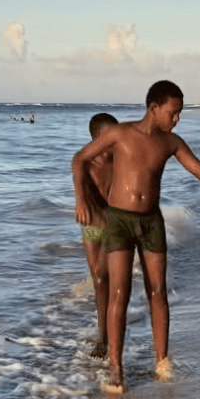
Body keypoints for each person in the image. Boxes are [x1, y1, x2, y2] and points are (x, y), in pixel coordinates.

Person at [72, 80, 200, 392]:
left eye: (179, 114)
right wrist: (81, 199)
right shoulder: (120, 134)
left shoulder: (172, 143)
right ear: (154, 108)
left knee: (158, 291)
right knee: (119, 292)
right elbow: (79, 159)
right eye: (173, 113)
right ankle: (116, 373)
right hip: (118, 221)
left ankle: (163, 363)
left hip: (151, 222)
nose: (177, 119)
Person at [77, 112, 119, 359]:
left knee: (112, 280)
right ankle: (103, 336)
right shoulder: (85, 164)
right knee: (99, 281)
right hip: (93, 225)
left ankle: (111, 334)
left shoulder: (123, 160)